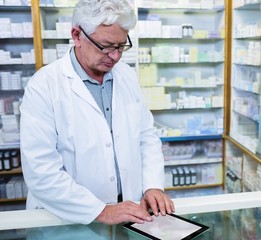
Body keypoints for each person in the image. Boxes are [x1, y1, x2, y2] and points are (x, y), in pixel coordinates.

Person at [20, 0, 175, 225]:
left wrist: (152, 185)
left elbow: (146, 136)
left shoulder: (126, 75)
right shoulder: (44, 86)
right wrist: (99, 211)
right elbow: (41, 171)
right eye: (106, 46)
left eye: (121, 46)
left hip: (129, 211)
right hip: (67, 220)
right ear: (76, 35)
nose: (115, 56)